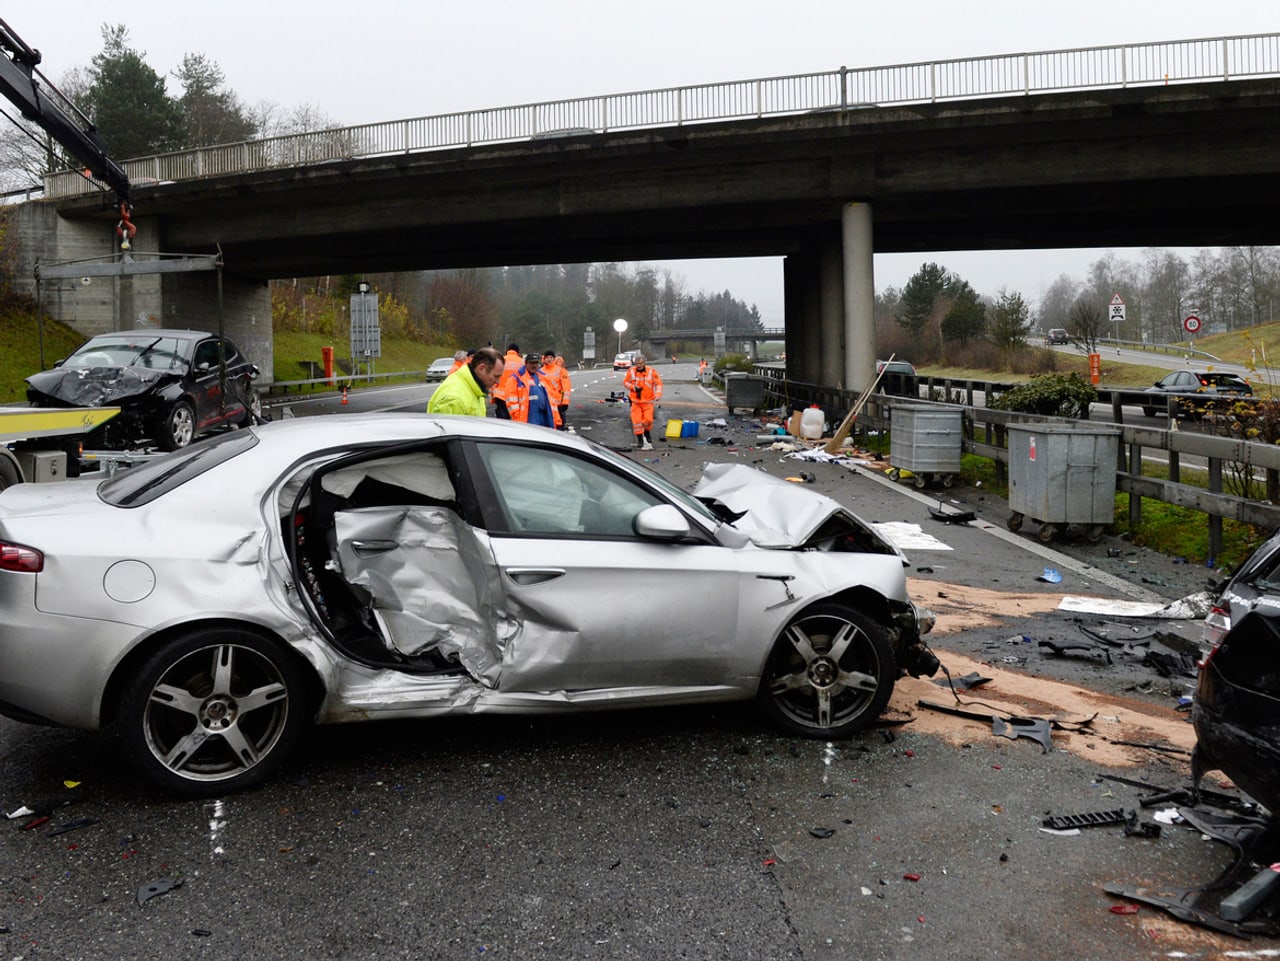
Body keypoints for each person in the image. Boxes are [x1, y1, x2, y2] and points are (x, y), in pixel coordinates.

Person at [427, 346, 504, 417]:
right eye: (496, 376)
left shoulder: (475, 390)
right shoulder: (454, 400)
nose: (498, 382)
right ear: (481, 369)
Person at [622, 353, 663, 450]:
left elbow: (658, 384)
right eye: (637, 363)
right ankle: (640, 439)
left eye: (640, 363)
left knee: (648, 420)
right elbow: (625, 382)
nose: (638, 365)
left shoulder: (651, 372)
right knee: (637, 421)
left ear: (644, 363)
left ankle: (647, 432)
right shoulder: (631, 371)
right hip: (636, 402)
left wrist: (658, 395)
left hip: (648, 402)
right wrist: (633, 387)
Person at [507, 353, 557, 428]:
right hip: (528, 417)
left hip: (545, 416)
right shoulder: (516, 379)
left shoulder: (544, 377)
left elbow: (551, 399)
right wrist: (518, 419)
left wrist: (556, 419)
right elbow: (511, 403)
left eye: (536, 363)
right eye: (531, 363)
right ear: (526, 364)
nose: (534, 365)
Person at [542, 349, 573, 431]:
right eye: (547, 357)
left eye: (551, 357)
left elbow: (566, 387)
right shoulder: (540, 371)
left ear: (554, 359)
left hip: (558, 404)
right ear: (544, 359)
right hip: (545, 404)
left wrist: (565, 402)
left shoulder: (560, 370)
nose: (549, 359)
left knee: (559, 426)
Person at [491, 343, 523, 419]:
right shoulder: (522, 362)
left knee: (502, 420)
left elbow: (493, 376)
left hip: (500, 394)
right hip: (515, 395)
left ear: (507, 350)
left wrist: (493, 392)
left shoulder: (500, 360)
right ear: (517, 352)